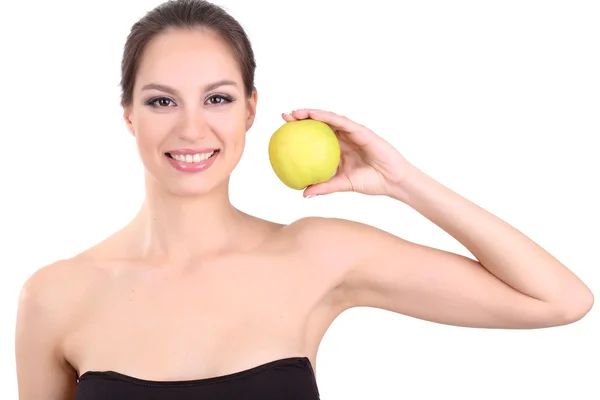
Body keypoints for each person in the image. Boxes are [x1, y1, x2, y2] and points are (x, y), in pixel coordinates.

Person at [14, 0, 593, 399]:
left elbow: (559, 300)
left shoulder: (317, 254)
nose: (191, 129)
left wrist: (402, 181)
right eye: (162, 102)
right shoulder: (57, 294)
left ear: (249, 110)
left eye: (216, 99)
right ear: (128, 116)